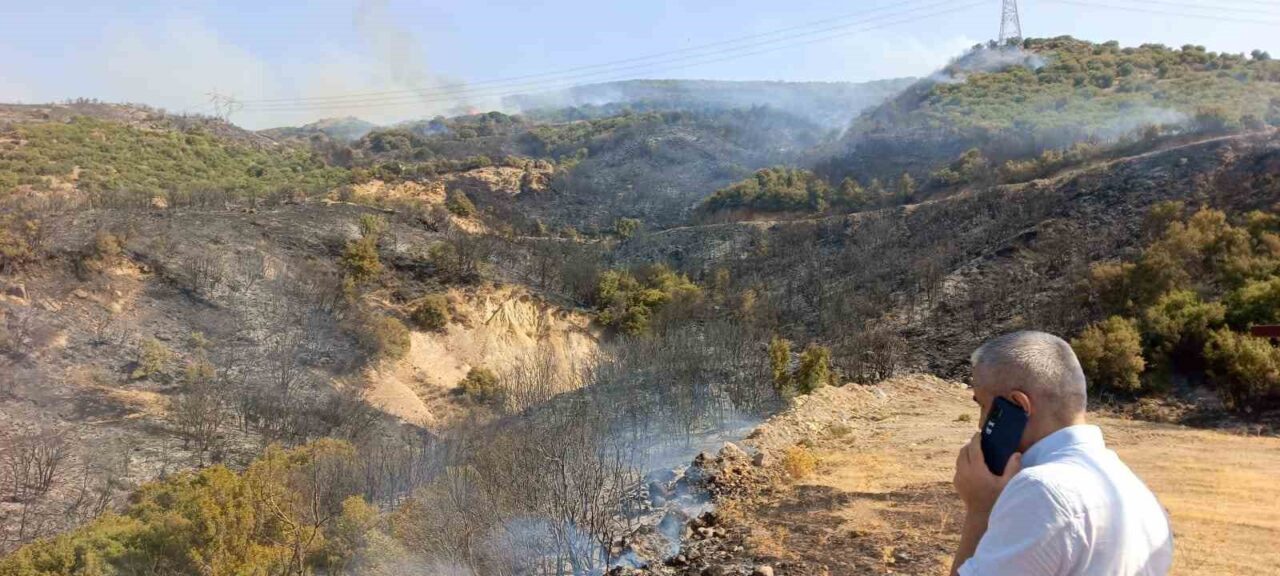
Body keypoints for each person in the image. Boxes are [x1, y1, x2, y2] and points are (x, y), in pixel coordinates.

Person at [950, 331, 1173, 576]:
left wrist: (980, 510)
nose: (981, 424)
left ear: (1019, 406)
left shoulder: (1040, 491)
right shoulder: (1137, 490)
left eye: (983, 406)